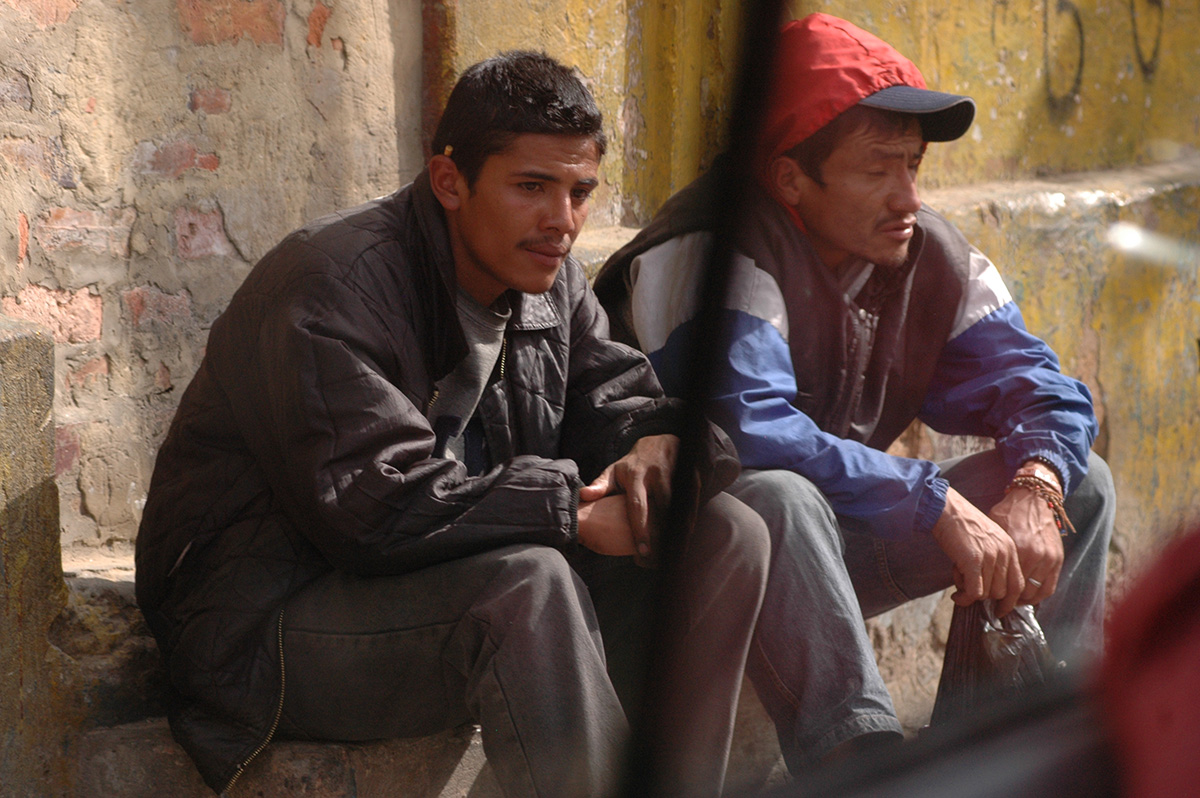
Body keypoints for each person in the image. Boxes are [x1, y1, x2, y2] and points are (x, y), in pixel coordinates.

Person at [135, 51, 771, 798]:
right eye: (532, 187)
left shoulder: (549, 271)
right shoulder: (326, 284)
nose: (562, 221)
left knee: (728, 535)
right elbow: (372, 507)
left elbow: (617, 396)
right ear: (449, 182)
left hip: (437, 583)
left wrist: (658, 448)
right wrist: (566, 512)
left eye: (579, 192)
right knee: (528, 585)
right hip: (266, 625)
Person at [594, 13, 1115, 775]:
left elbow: (1042, 388)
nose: (907, 196)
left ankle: (1006, 765)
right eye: (877, 170)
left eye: (913, 165)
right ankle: (861, 768)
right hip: (685, 577)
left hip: (839, 552)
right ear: (789, 178)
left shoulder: (925, 252)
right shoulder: (712, 247)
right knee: (779, 496)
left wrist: (1035, 486)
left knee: (1081, 484)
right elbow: (749, 429)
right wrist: (930, 498)